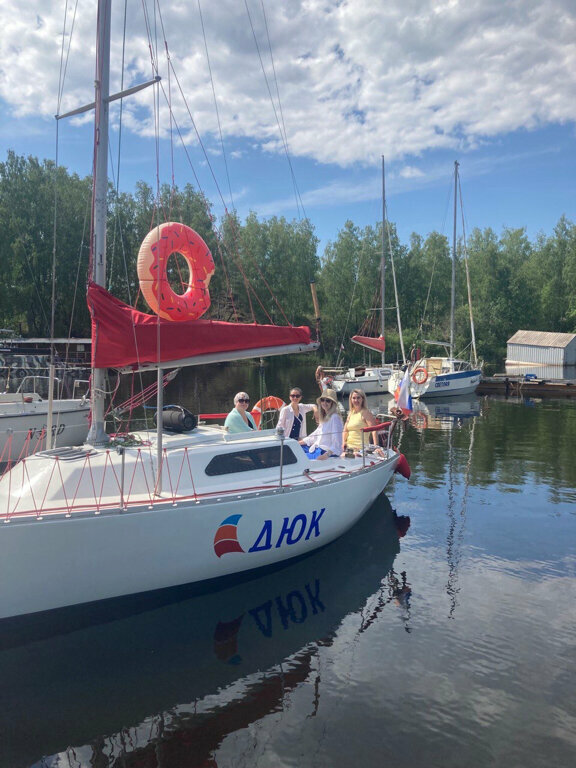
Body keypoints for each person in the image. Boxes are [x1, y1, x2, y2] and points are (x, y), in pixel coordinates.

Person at [299, 388, 343, 460]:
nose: (324, 403)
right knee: (295, 449)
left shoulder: (335, 418)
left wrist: (326, 455)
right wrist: (298, 443)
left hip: (325, 452)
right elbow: (315, 436)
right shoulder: (325, 417)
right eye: (323, 400)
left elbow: (337, 442)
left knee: (298, 457)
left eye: (328, 401)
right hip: (317, 449)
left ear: (332, 403)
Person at [342, 389, 378, 454]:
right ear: (351, 400)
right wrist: (343, 442)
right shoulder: (350, 413)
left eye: (358, 398)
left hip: (361, 449)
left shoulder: (366, 413)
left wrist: (376, 447)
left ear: (362, 399)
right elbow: (345, 430)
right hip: (349, 448)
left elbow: (374, 430)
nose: (356, 400)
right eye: (354, 398)